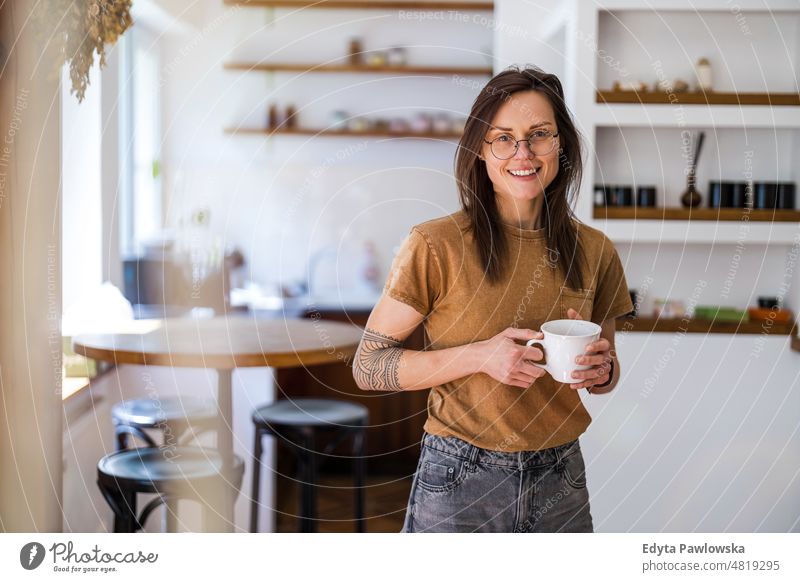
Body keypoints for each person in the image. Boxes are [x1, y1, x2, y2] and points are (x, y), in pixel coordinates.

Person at [352, 66, 634, 533]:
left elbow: (606, 375)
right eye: (503, 138)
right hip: (460, 478)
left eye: (539, 134)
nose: (522, 153)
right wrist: (480, 356)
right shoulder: (435, 244)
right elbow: (368, 365)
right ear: (481, 150)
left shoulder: (595, 250)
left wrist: (603, 371)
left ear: (560, 143)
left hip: (561, 479)